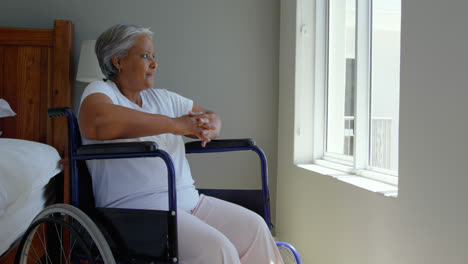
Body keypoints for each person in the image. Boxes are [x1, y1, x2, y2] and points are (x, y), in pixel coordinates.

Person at [78, 24, 283, 264]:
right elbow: (96, 121)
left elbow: (210, 115)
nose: (154, 64)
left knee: (255, 229)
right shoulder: (101, 91)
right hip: (138, 211)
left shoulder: (163, 98)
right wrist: (175, 125)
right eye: (145, 56)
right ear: (118, 61)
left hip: (190, 201)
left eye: (154, 57)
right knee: (217, 250)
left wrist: (209, 127)